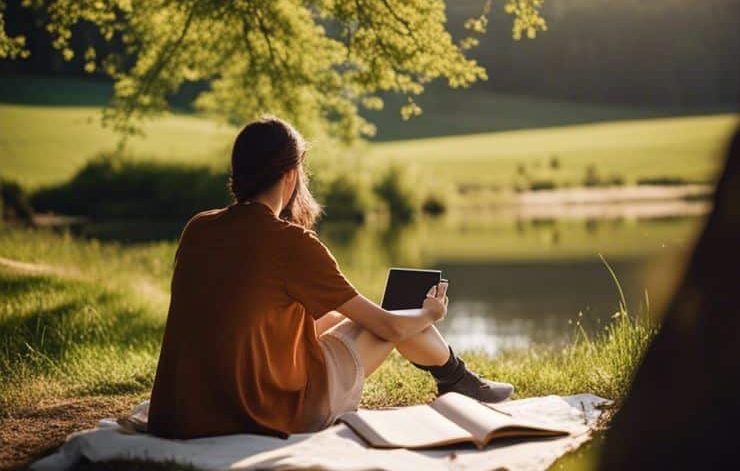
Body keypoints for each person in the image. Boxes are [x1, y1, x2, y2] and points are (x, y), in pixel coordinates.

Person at [147, 116, 514, 439]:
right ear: (290, 176)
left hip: (186, 410)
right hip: (266, 409)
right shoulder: (290, 242)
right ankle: (456, 377)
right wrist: (431, 313)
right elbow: (387, 326)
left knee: (340, 317)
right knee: (391, 317)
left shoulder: (199, 227)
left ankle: (455, 378)